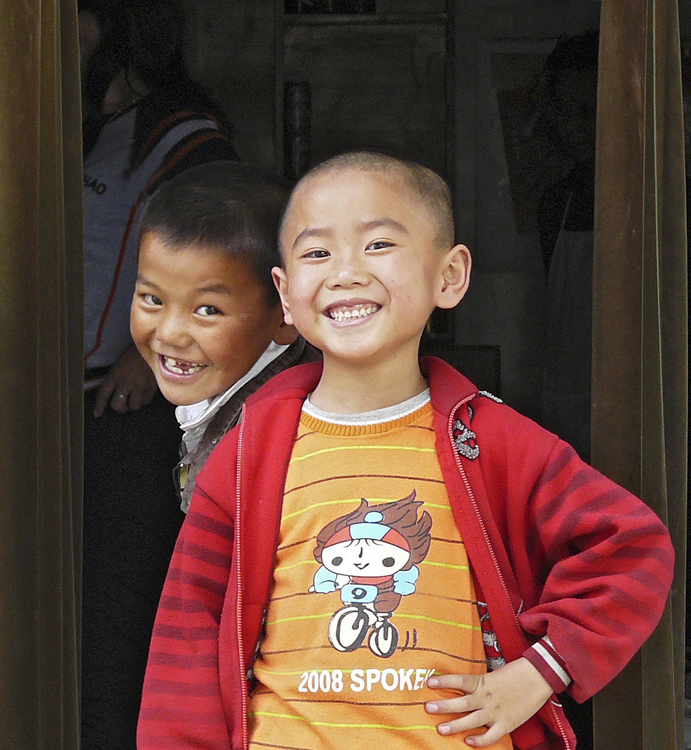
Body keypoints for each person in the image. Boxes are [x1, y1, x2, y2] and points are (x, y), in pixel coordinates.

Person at [137, 151, 674, 749]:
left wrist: (540, 673)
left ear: (450, 277)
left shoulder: (490, 439)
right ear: (285, 295)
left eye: (378, 245)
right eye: (318, 253)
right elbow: (187, 632)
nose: (345, 272)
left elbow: (632, 547)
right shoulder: (251, 452)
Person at [79, 1, 237, 748]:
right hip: (48, 401)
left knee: (118, 617)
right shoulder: (74, 124)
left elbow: (220, 256)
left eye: (78, 17)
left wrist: (146, 357)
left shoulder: (179, 136)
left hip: (130, 409)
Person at [130, 160, 315, 512]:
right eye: (152, 299)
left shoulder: (279, 442)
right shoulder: (229, 405)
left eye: (208, 310)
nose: (169, 334)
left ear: (285, 315)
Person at [535, 29, 599, 463]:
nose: (575, 125)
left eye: (588, 111)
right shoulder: (556, 202)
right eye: (565, 111)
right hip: (568, 402)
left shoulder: (665, 203)